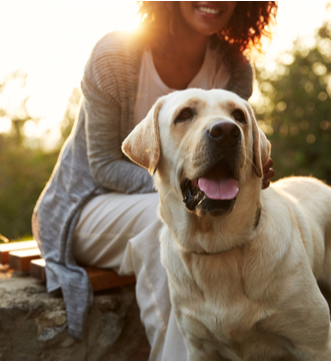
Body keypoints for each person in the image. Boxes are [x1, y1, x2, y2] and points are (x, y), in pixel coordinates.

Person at [32, 2, 277, 359]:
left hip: (186, 203)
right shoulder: (115, 54)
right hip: (85, 206)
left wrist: (249, 172)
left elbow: (226, 162)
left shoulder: (234, 69)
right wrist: (180, 189)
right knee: (169, 221)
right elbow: (102, 164)